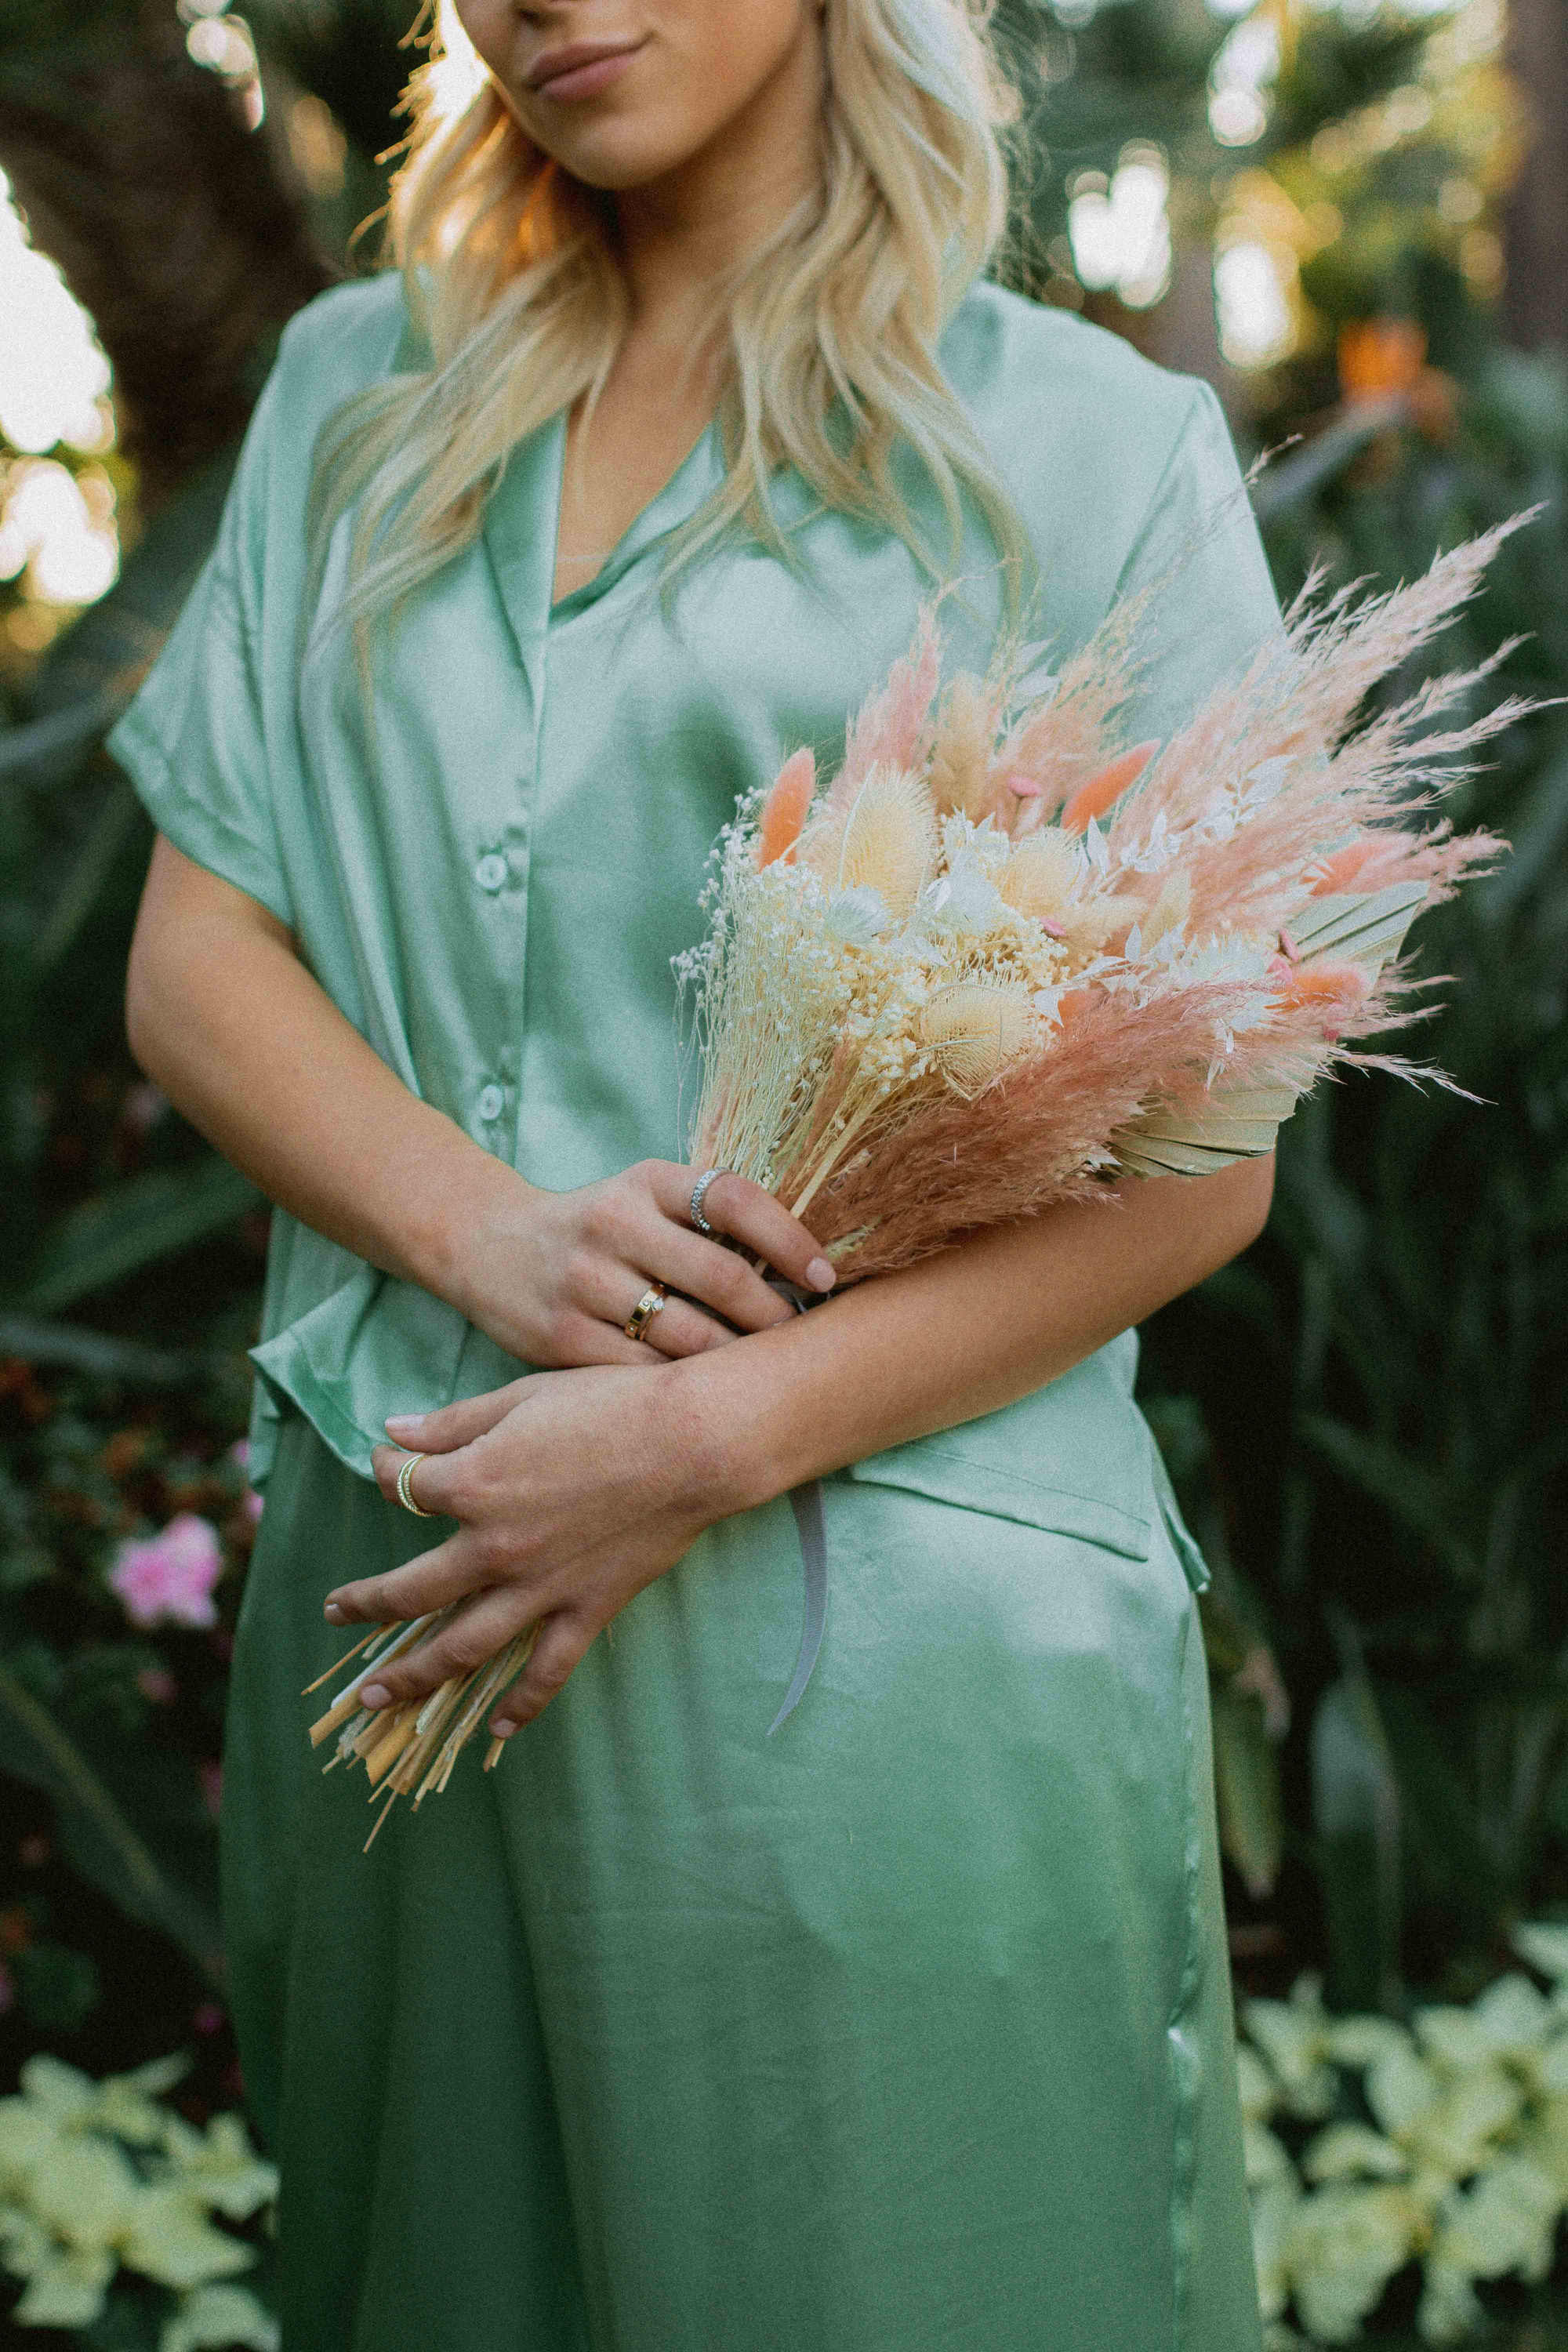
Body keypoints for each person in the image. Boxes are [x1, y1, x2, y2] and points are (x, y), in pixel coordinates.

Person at [112, 2, 1282, 2344]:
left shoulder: (1094, 454)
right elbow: (195, 955)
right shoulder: (361, 391)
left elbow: (1204, 1169)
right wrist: (493, 1230)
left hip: (887, 1665)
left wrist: (693, 1436)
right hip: (412, 1610)